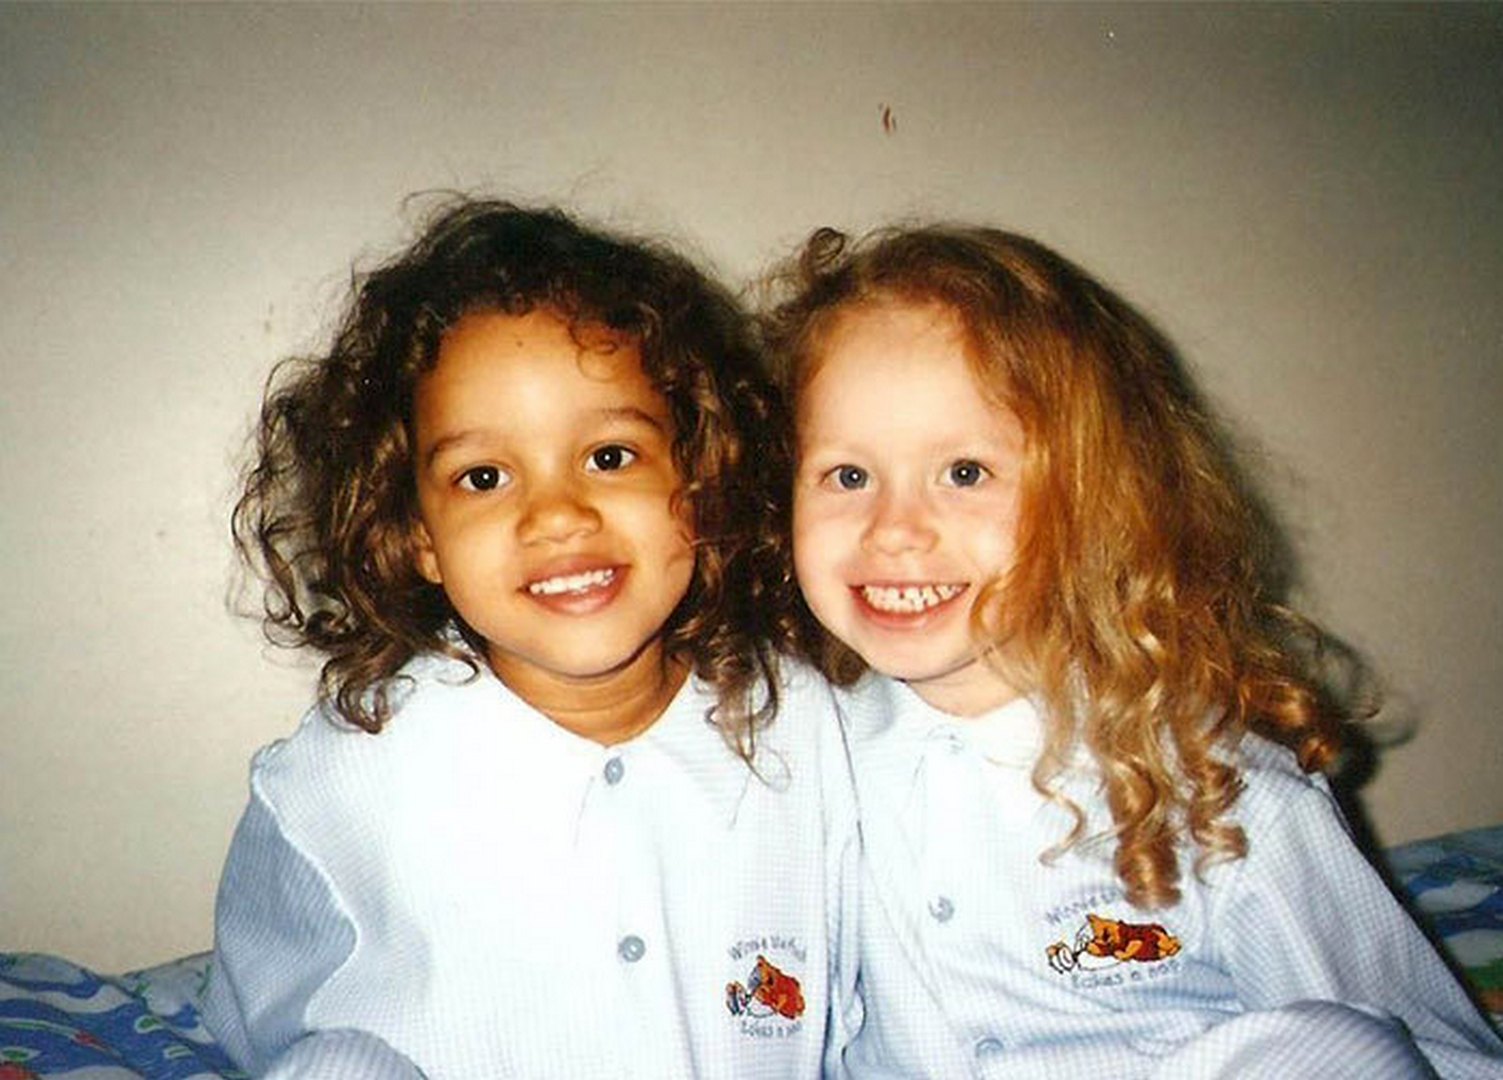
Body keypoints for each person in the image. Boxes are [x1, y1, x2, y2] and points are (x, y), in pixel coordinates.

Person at [760, 224, 1503, 1078]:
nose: (893, 531)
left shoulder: (1215, 782)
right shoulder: (796, 755)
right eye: (847, 477)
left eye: (965, 472)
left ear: (1092, 500)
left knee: (1330, 1047)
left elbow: (1428, 1049)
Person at [203, 199, 860, 1079]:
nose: (555, 515)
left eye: (610, 456)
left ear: (701, 477)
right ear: (419, 537)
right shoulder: (344, 776)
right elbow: (263, 1016)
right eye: (483, 476)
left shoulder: (808, 728)